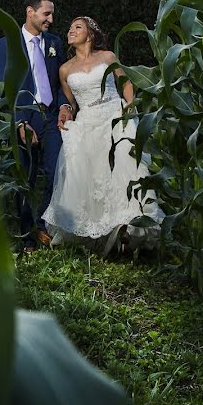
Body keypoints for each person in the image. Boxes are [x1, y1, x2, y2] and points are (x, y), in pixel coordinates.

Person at [42, 16, 163, 255]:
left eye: (77, 27)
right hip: (87, 121)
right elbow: (70, 102)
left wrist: (129, 106)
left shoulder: (107, 57)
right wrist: (66, 111)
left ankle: (129, 230)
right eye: (69, 28)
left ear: (91, 34)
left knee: (121, 170)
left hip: (113, 116)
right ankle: (95, 234)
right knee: (90, 176)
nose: (71, 30)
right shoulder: (65, 69)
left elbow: (126, 83)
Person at [0, 0, 75, 253]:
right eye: (46, 13)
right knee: (25, 178)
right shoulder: (7, 44)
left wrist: (64, 105)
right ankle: (27, 236)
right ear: (30, 12)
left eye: (52, 14)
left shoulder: (53, 43)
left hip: (51, 116)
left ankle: (42, 225)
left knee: (56, 172)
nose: (50, 19)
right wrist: (19, 122)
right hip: (24, 116)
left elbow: (62, 81)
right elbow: (7, 87)